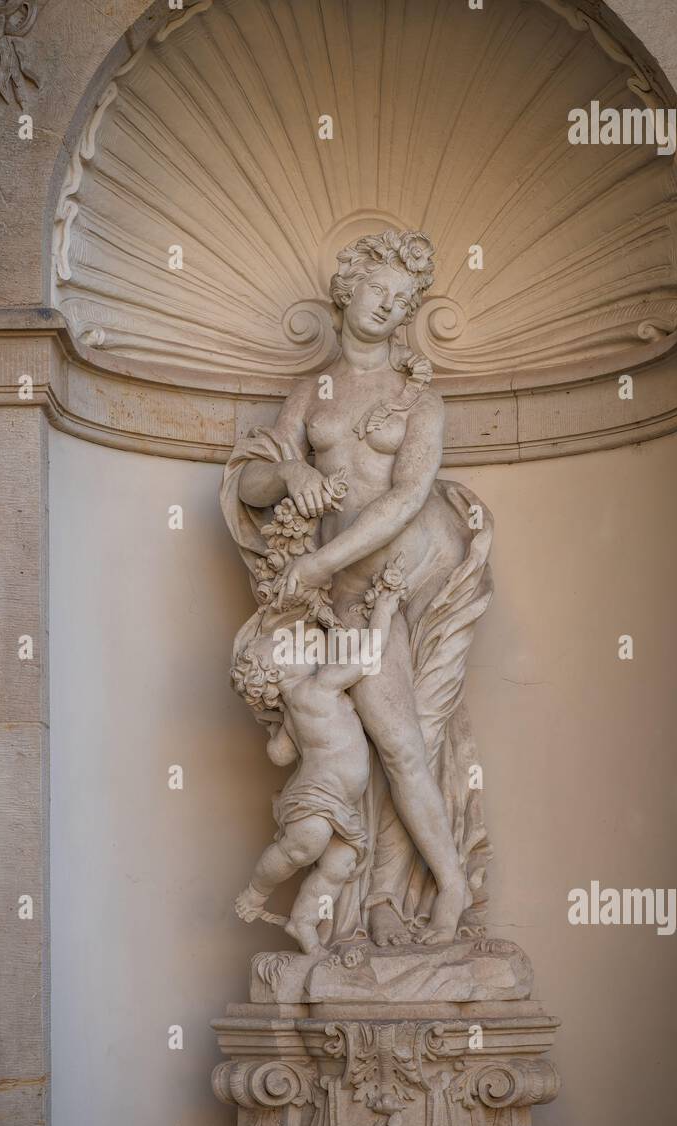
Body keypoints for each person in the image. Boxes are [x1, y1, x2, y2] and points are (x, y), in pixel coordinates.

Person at [223, 229, 493, 947]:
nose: (388, 305)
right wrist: (291, 474)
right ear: (347, 291)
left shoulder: (417, 401)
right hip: (337, 598)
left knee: (402, 745)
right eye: (378, 289)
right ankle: (372, 901)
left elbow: (406, 499)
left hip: (400, 581)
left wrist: (318, 561)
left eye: (403, 299)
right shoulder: (310, 392)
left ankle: (438, 886)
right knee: (378, 747)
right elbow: (251, 482)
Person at [233, 568, 405, 954]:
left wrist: (283, 725)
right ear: (278, 671)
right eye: (290, 649)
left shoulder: (297, 709)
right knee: (304, 846)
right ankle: (256, 891)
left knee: (340, 864)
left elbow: (279, 755)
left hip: (340, 804)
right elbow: (368, 658)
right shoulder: (319, 687)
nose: (305, 647)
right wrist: (385, 609)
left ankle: (304, 921)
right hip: (319, 797)